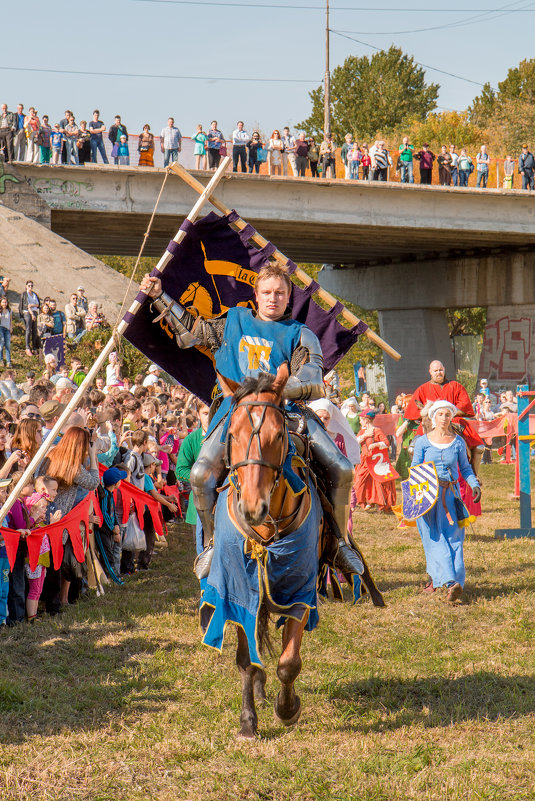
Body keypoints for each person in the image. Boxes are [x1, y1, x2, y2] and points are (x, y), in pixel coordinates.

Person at [140, 262, 361, 575]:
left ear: (289, 298)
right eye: (267, 292)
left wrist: (282, 386)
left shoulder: (301, 335)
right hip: (235, 410)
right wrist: (160, 296)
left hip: (283, 410)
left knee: (341, 467)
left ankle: (339, 543)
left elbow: (314, 382)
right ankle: (213, 543)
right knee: (202, 473)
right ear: (256, 295)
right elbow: (193, 333)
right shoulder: (234, 320)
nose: (273, 298)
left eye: (280, 293)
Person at [412, 400, 481, 602]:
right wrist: (416, 498)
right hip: (428, 497)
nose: (444, 418)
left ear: (451, 417)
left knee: (455, 539)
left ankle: (455, 582)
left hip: (451, 497)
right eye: (440, 414)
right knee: (434, 538)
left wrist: (474, 484)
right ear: (433, 417)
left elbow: (466, 469)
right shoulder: (423, 442)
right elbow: (415, 469)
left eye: (447, 415)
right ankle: (447, 581)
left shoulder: (458, 442)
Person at [404, 359, 483, 472]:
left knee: (479, 447)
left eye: (440, 370)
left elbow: (464, 406)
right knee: (412, 449)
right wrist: (427, 412)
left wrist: (450, 411)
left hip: (454, 420)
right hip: (430, 422)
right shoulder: (422, 389)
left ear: (444, 370)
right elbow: (415, 411)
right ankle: (418, 475)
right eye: (435, 370)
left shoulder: (456, 386)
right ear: (430, 372)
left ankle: (475, 475)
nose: (438, 372)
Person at [354, 410, 396, 513]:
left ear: (366, 420)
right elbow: (355, 442)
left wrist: (376, 445)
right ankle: (364, 502)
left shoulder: (377, 431)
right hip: (364, 461)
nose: (360, 422)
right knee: (360, 481)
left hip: (375, 461)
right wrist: (365, 435)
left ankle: (379, 504)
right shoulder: (362, 432)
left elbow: (386, 443)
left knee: (378, 483)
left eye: (361, 420)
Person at [19, 279, 40, 357]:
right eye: (29, 286)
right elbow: (26, 306)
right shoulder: (24, 294)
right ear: (26, 286)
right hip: (27, 312)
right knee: (28, 329)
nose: (30, 287)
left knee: (34, 330)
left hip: (34, 312)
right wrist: (31, 313)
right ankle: (27, 347)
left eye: (31, 285)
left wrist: (32, 305)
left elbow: (38, 304)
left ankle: (34, 347)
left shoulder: (34, 295)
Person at [0, 296, 12, 367]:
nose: (5, 304)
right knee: (1, 343)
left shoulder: (9, 310)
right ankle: (1, 360)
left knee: (8, 345)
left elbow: (10, 320)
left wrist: (11, 327)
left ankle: (8, 361)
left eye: (5, 302)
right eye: (3, 302)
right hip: (0, 327)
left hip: (7, 328)